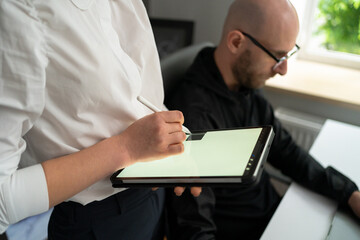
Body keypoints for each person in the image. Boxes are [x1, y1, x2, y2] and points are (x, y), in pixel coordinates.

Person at [0, 1, 200, 239]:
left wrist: (178, 144)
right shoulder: (18, 10)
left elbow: (137, 95)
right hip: (99, 221)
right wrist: (126, 147)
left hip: (152, 193)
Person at [164, 0, 360, 239]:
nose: (283, 69)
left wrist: (349, 193)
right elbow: (195, 229)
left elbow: (286, 151)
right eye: (277, 56)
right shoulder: (195, 119)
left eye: (288, 54)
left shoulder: (243, 83)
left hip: (277, 215)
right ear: (236, 42)